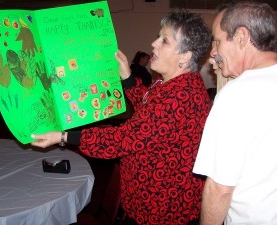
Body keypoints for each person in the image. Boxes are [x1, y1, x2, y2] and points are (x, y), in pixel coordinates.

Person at [32, 9, 212, 225]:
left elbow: (122, 139)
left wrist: (63, 138)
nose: (154, 43)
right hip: (154, 202)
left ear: (185, 55)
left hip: (162, 210)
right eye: (158, 36)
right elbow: (149, 109)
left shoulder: (181, 97)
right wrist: (127, 77)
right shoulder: (176, 84)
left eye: (164, 41)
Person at [193, 1, 277, 225]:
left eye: (217, 42)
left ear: (241, 37)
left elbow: (219, 189)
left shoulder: (237, 96)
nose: (213, 53)